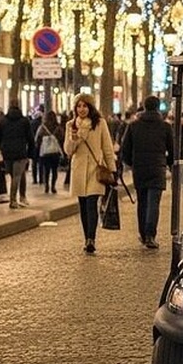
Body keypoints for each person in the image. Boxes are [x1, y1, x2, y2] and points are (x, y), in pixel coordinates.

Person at [64, 93, 116, 254]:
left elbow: (107, 147)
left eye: (85, 106)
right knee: (83, 205)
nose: (81, 109)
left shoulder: (99, 123)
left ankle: (91, 239)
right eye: (78, 106)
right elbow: (68, 151)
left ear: (90, 107)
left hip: (95, 169)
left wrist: (112, 169)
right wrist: (73, 139)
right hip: (78, 169)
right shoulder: (71, 125)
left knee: (91, 204)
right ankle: (86, 236)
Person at [121, 96, 174, 248]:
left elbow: (126, 149)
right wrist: (169, 164)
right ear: (158, 107)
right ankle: (151, 234)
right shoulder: (165, 127)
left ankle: (143, 235)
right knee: (153, 203)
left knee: (142, 202)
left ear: (144, 107)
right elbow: (171, 149)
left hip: (140, 167)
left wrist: (131, 163)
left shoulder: (133, 126)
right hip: (157, 167)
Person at [0, 99, 34, 209]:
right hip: (20, 152)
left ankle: (22, 196)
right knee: (17, 175)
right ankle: (14, 200)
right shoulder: (24, 121)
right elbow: (30, 139)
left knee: (16, 174)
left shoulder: (2, 121)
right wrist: (31, 154)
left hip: (6, 152)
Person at [35, 111, 64, 194]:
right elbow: (62, 138)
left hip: (45, 152)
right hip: (55, 152)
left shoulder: (42, 127)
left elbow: (37, 139)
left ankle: (46, 186)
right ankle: (53, 187)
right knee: (54, 170)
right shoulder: (58, 127)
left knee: (46, 170)